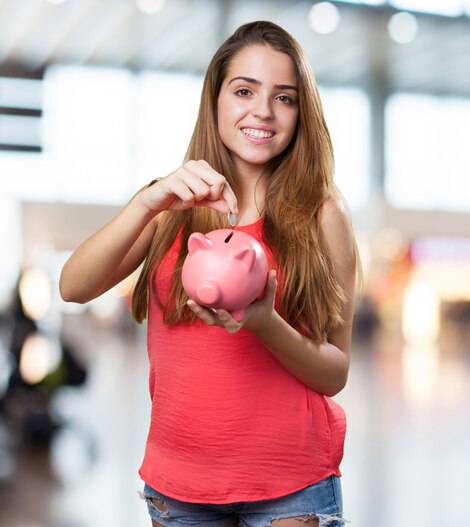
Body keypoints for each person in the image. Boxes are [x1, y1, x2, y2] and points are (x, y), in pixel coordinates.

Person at [59, 20, 358, 527]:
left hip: (292, 485)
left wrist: (266, 323)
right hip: (179, 486)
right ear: (215, 99)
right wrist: (148, 199)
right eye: (245, 91)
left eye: (284, 98)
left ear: (301, 112)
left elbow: (335, 373)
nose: (263, 110)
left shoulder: (323, 213)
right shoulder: (172, 205)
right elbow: (73, 286)